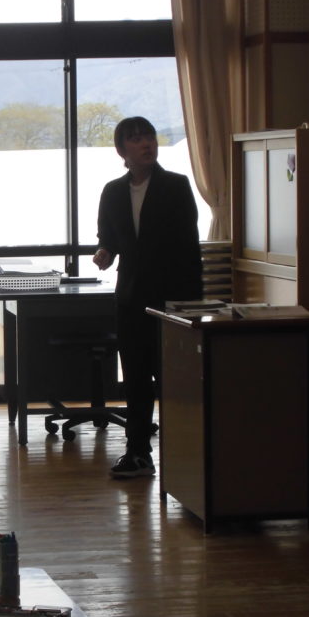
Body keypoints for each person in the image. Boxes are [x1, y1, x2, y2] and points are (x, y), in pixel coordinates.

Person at [93, 116, 202, 479]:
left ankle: (186, 452)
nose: (146, 144)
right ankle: (138, 452)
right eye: (136, 139)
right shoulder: (112, 191)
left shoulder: (176, 185)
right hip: (131, 298)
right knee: (136, 378)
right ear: (122, 150)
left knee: (174, 378)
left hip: (172, 299)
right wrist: (105, 253)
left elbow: (188, 246)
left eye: (150, 137)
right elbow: (108, 237)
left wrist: (192, 304)